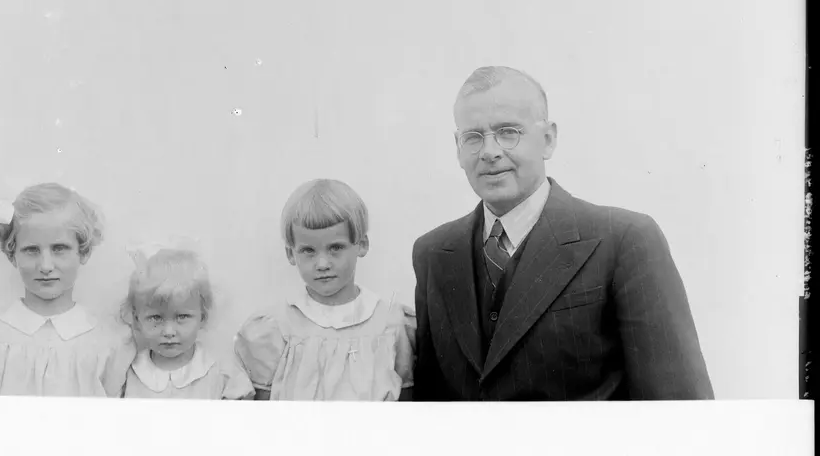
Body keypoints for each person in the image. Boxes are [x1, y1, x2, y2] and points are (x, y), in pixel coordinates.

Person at [411, 66, 714, 401]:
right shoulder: (433, 254)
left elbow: (679, 408)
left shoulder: (625, 240)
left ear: (548, 139)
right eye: (472, 137)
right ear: (457, 147)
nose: (490, 151)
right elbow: (430, 409)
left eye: (508, 132)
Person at [235, 179, 416, 401]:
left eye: (335, 248)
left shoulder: (390, 323)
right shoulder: (276, 328)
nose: (322, 263)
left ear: (361, 244)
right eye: (308, 250)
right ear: (291, 254)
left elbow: (408, 403)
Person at [0, 182, 132, 396]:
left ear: (82, 252)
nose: (45, 266)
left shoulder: (109, 342)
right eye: (31, 250)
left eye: (59, 249)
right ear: (12, 254)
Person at [118, 244, 254, 401]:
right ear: (137, 320)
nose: (169, 332)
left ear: (202, 316)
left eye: (182, 317)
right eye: (156, 318)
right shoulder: (127, 374)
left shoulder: (222, 372)